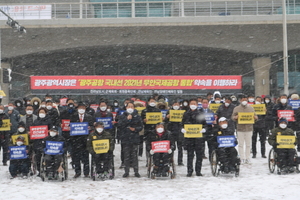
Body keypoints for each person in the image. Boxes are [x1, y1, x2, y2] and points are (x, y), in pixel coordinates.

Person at [181, 98, 207, 177]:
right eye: (191, 103)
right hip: (189, 138)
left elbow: (205, 124)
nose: (193, 105)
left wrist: (204, 129)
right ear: (189, 105)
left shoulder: (200, 113)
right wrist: (182, 129)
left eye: (194, 104)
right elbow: (182, 124)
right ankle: (189, 170)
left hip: (199, 138)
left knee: (199, 155)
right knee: (190, 155)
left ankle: (198, 171)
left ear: (197, 104)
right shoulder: (186, 114)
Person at [118, 102, 143, 178]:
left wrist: (135, 129)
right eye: (129, 106)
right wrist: (126, 119)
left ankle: (136, 171)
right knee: (126, 156)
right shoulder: (122, 116)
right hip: (125, 138)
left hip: (134, 138)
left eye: (132, 106)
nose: (130, 108)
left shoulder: (137, 117)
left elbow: (141, 126)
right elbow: (119, 125)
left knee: (134, 156)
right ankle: (126, 171)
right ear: (126, 107)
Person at [70, 102, 94, 178]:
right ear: (77, 109)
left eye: (83, 108)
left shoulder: (89, 117)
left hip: (85, 139)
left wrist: (90, 128)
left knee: (85, 156)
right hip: (75, 139)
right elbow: (70, 126)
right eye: (80, 108)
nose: (81, 109)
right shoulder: (73, 116)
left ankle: (86, 172)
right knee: (76, 157)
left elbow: (93, 126)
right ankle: (77, 172)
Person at [232, 95, 257, 164]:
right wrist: (235, 117)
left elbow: (256, 116)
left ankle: (247, 157)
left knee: (248, 144)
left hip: (249, 128)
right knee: (241, 144)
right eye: (243, 100)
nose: (244, 101)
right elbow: (232, 117)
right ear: (240, 100)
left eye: (245, 100)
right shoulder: (236, 108)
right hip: (240, 128)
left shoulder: (251, 108)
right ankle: (242, 157)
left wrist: (255, 117)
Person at [32, 108, 53, 175]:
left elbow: (52, 129)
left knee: (47, 157)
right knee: (38, 157)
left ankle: (48, 169)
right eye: (40, 112)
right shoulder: (35, 121)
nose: (41, 113)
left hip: (47, 141)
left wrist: (49, 131)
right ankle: (39, 170)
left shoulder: (49, 121)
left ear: (45, 113)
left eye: (43, 112)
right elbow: (32, 129)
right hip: (37, 141)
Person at [165, 100, 184, 165]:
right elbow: (165, 122)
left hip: (179, 131)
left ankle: (180, 161)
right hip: (171, 131)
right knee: (171, 147)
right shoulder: (169, 112)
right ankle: (170, 160)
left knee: (180, 148)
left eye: (177, 104)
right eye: (174, 104)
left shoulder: (182, 112)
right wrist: (166, 118)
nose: (176, 106)